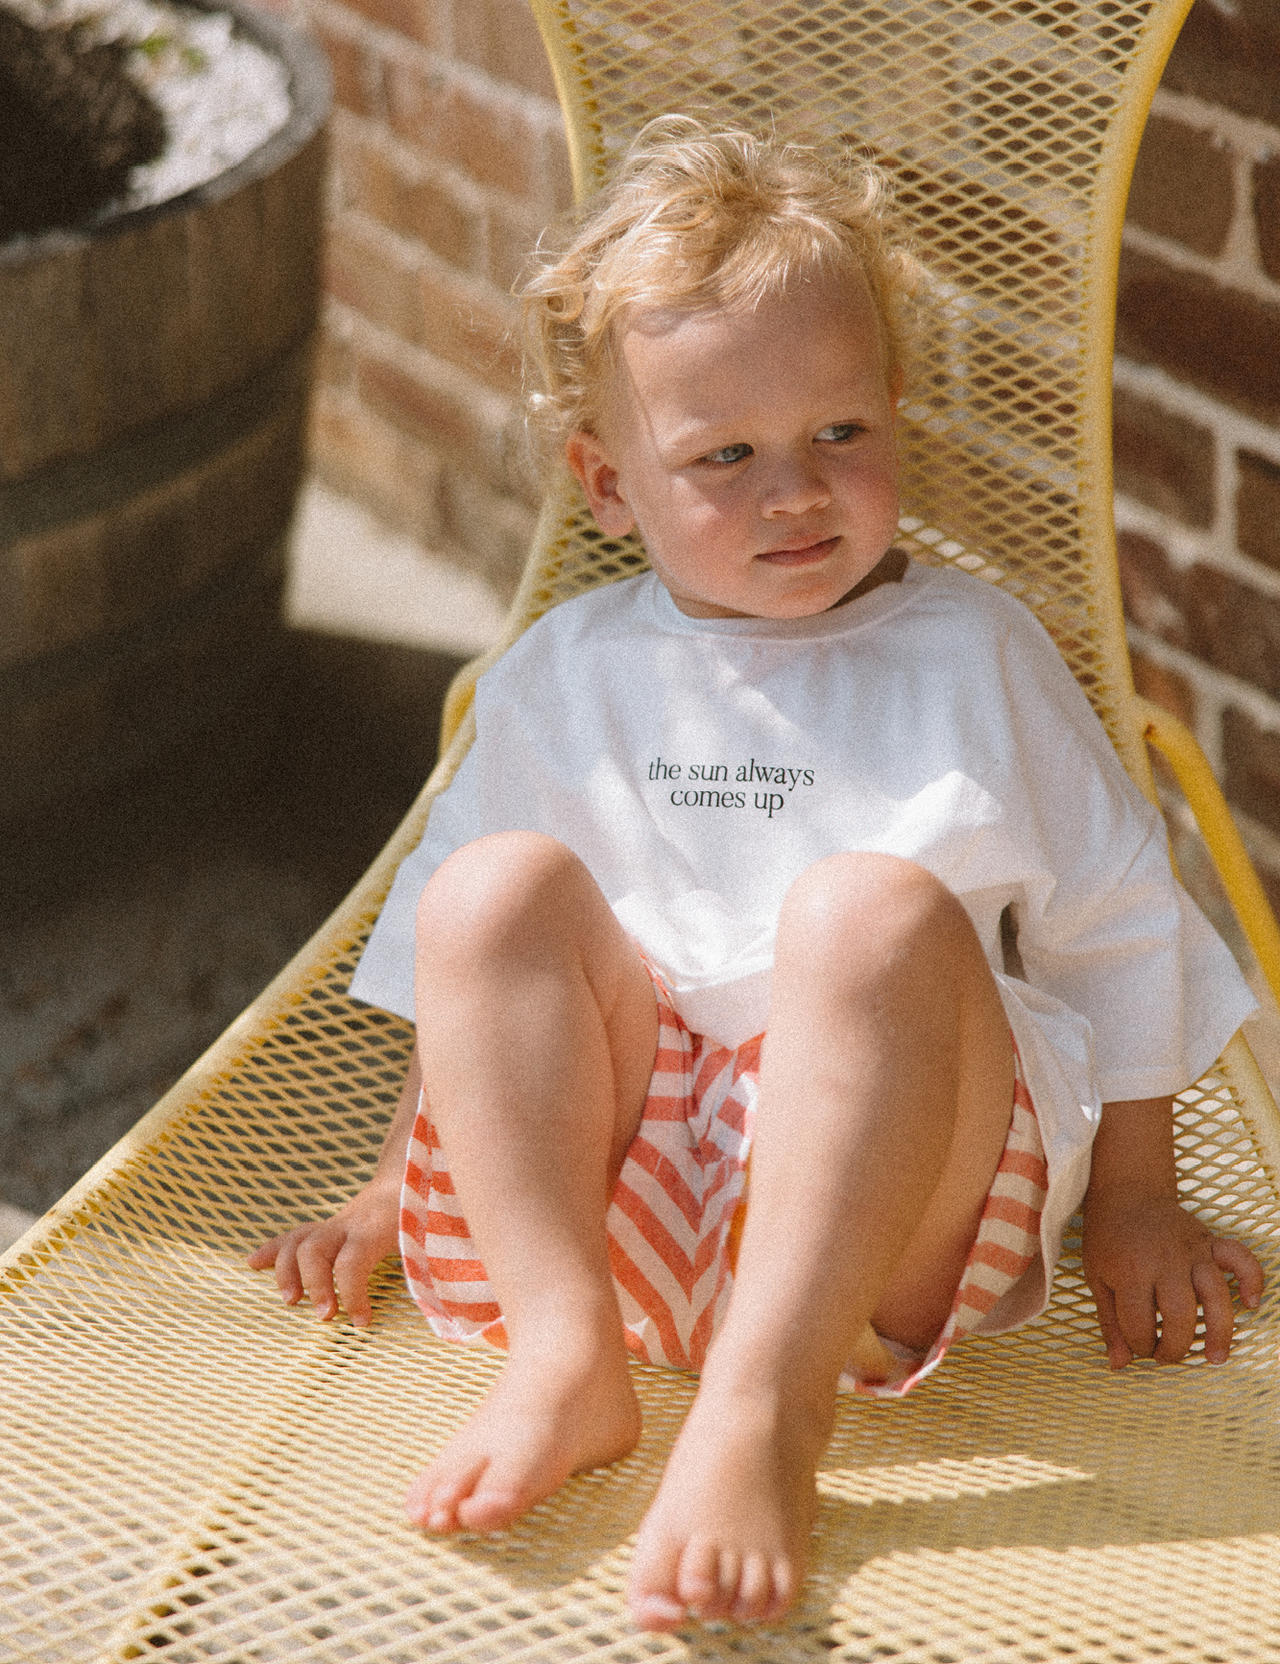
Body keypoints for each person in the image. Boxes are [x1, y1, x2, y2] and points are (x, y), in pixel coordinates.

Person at [250, 118, 1264, 1633]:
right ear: (607, 485)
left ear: (896, 416)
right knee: (491, 888)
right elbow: (471, 978)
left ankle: (764, 1412)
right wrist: (402, 1183)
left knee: (872, 912)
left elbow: (1120, 928)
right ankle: (564, 1352)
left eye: (841, 434)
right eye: (723, 457)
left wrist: (1132, 1198)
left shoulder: (976, 653)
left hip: (891, 1219)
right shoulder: (565, 673)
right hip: (612, 1201)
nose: (794, 490)